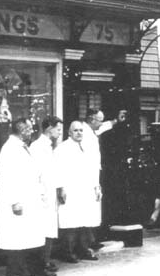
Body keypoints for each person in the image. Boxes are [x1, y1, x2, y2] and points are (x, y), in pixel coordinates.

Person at [0, 117, 51, 276]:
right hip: (19, 201)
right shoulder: (9, 149)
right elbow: (8, 178)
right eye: (29, 129)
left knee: (30, 236)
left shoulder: (22, 147)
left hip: (30, 198)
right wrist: (15, 201)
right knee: (17, 238)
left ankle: (32, 269)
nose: (32, 131)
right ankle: (15, 272)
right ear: (22, 131)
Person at [54, 121, 102, 262]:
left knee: (85, 222)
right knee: (71, 224)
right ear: (69, 133)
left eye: (81, 130)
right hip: (71, 190)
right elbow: (58, 170)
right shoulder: (62, 149)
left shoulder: (87, 148)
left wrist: (97, 186)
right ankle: (67, 252)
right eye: (75, 130)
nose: (79, 133)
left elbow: (93, 169)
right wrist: (61, 188)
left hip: (86, 189)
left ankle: (83, 250)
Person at [81, 109, 128, 240]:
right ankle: (85, 243)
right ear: (91, 119)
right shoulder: (82, 133)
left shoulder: (92, 130)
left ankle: (91, 240)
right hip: (85, 177)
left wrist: (116, 121)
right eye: (99, 121)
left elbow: (103, 127)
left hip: (93, 177)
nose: (101, 124)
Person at [30, 116, 63, 274]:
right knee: (43, 229)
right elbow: (37, 174)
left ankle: (45, 261)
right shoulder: (37, 147)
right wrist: (42, 193)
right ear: (49, 128)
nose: (59, 132)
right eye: (58, 128)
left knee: (48, 228)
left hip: (49, 194)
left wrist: (58, 188)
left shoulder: (49, 146)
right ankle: (40, 264)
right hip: (42, 195)